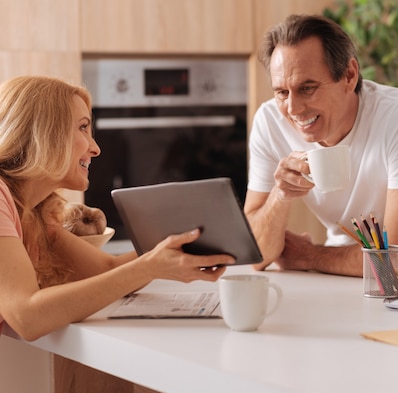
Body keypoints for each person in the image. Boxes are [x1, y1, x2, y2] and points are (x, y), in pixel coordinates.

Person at [0, 75, 235, 341]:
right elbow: (26, 317)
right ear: (46, 133)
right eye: (83, 128)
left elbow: (106, 270)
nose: (96, 148)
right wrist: (149, 267)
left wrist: (182, 241)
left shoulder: (35, 213)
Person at [244, 14, 398, 279]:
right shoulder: (270, 121)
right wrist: (280, 195)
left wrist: (310, 256)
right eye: (282, 92)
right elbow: (255, 255)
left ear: (349, 75)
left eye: (307, 88)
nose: (293, 108)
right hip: (345, 273)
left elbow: (397, 260)